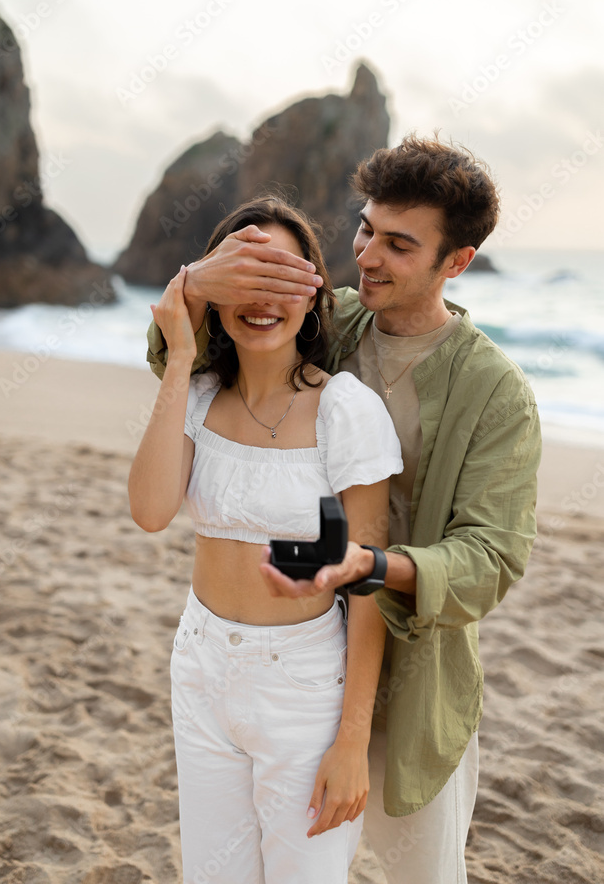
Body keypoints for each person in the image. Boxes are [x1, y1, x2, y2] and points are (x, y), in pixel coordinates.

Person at [144, 134, 542, 884]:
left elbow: (491, 559)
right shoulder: (333, 321)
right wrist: (197, 283)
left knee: (421, 873)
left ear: (455, 262)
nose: (365, 257)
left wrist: (371, 564)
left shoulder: (497, 393)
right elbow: (188, 363)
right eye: (364, 229)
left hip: (413, 678)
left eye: (398, 244)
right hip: (300, 660)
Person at [129, 197, 403, 884]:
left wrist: (350, 740)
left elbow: (366, 584)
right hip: (200, 669)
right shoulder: (193, 396)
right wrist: (179, 351)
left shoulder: (345, 410)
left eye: (282, 278)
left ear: (311, 293)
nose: (262, 298)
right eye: (244, 279)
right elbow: (151, 509)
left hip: (304, 687)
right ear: (217, 296)